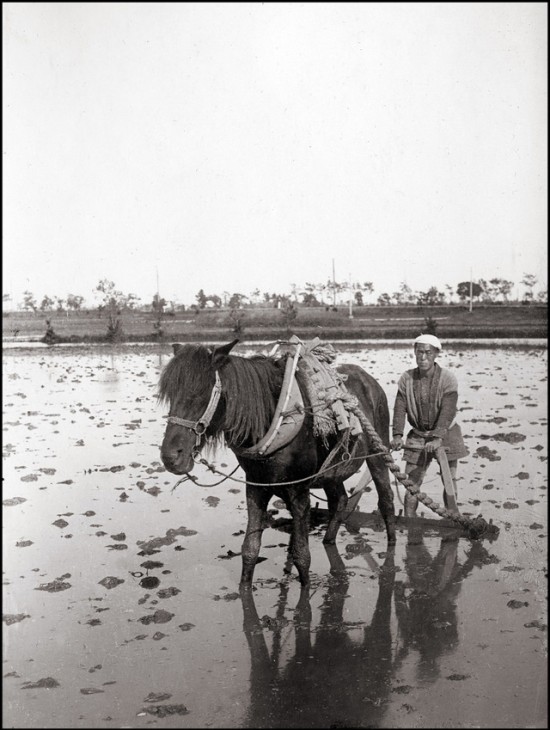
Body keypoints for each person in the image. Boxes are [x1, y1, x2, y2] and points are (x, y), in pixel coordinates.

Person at [389, 334, 469, 517]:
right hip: (418, 434)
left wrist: (437, 437)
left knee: (449, 478)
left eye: (428, 353)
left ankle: (452, 516)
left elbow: (448, 410)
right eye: (419, 353)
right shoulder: (406, 378)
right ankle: (410, 520)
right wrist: (397, 435)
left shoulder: (448, 379)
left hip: (447, 433)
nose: (423, 357)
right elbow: (400, 408)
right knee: (412, 482)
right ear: (414, 353)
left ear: (436, 354)